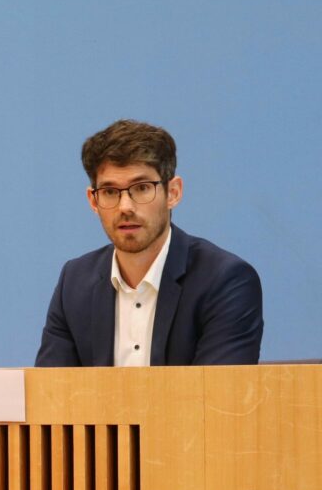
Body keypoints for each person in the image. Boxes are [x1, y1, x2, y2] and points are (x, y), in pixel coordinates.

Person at [36, 119, 263, 367]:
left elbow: (216, 391)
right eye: (110, 192)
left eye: (142, 188)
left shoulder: (224, 280)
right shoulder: (74, 281)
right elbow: (52, 388)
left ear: (173, 193)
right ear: (93, 201)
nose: (125, 207)